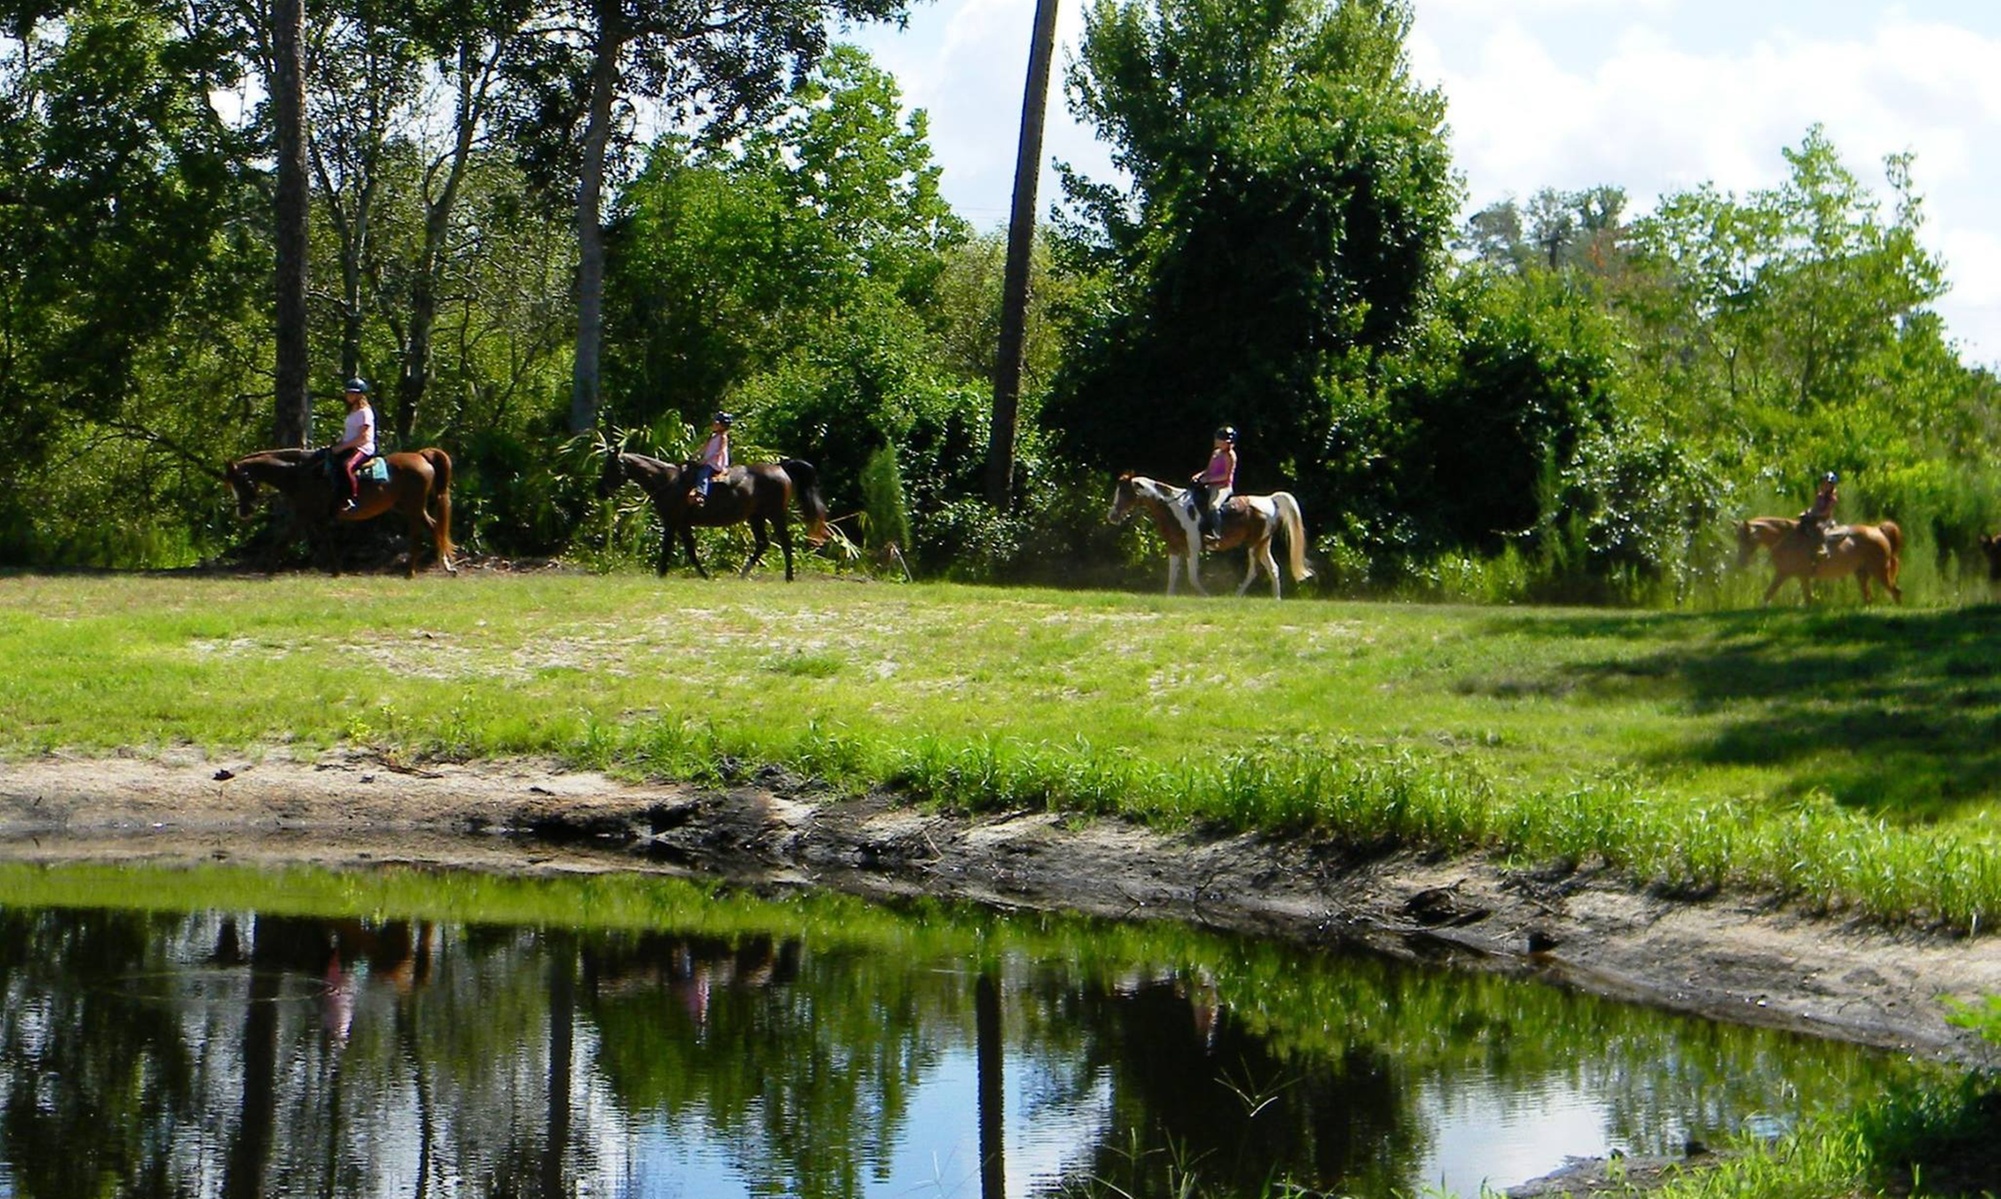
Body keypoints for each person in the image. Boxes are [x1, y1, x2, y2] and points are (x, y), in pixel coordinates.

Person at [328, 379, 377, 513]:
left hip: (363, 448)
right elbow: (350, 434)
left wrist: (342, 448)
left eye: (352, 393)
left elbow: (363, 437)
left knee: (347, 466)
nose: (348, 395)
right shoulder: (353, 412)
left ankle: (351, 499)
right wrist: (339, 443)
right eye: (348, 392)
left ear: (360, 395)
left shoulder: (365, 412)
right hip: (349, 446)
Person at [1189, 425, 1237, 540]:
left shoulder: (1230, 456)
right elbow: (1209, 470)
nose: (1216, 441)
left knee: (1214, 506)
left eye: (1220, 439)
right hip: (1210, 484)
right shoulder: (1216, 453)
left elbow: (1226, 476)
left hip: (1223, 487)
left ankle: (1217, 534)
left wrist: (1208, 480)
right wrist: (1200, 475)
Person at [688, 412, 732, 507]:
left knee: (703, 473)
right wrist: (695, 454)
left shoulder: (723, 437)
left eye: (716, 423)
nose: (713, 424)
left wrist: (706, 460)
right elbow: (704, 447)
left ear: (722, 426)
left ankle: (701, 494)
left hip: (715, 462)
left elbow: (720, 451)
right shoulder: (713, 436)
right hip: (708, 460)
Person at [1796, 471, 1839, 561]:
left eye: (1827, 484)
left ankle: (1823, 548)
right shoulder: (1820, 495)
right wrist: (1806, 512)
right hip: (1817, 517)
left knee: (1819, 527)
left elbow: (1826, 512)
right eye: (1824, 483)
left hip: (1826, 519)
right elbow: (1814, 507)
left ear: (1832, 486)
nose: (1825, 485)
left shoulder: (1832, 498)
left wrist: (1814, 515)